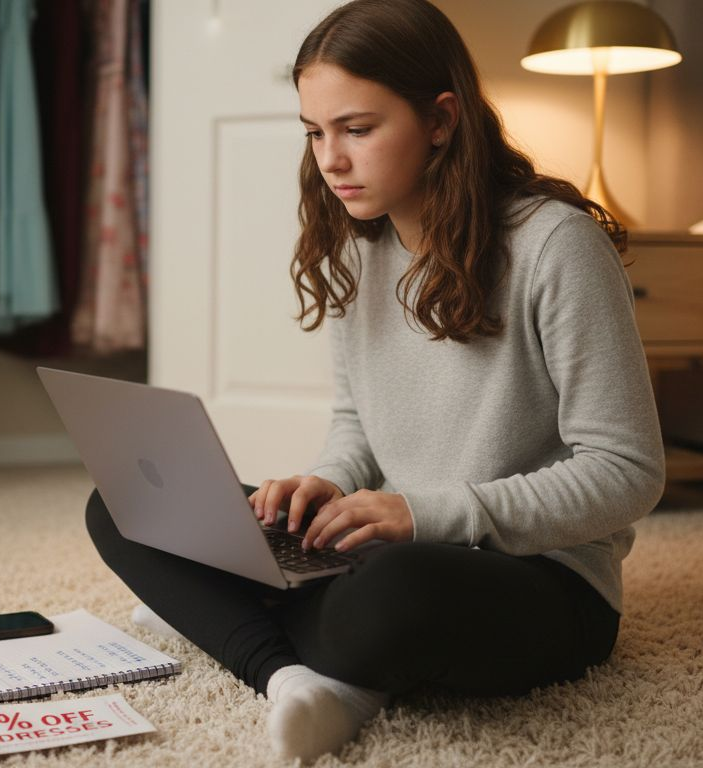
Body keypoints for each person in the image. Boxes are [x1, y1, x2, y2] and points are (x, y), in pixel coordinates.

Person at [85, 0, 665, 761]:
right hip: (386, 542)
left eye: (356, 129)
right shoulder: (361, 248)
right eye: (314, 132)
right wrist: (325, 483)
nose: (330, 160)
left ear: (441, 120)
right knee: (126, 504)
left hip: (535, 580)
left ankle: (229, 619)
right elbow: (358, 423)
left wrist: (428, 514)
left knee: (393, 597)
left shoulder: (557, 246)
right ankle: (293, 676)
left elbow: (628, 471)